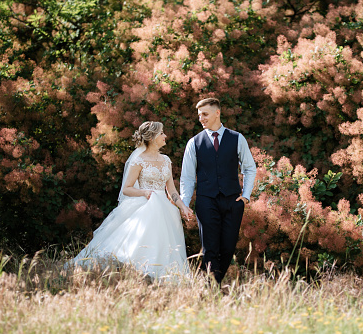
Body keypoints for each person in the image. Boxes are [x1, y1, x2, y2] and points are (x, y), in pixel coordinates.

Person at [67, 121, 193, 281]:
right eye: (162, 133)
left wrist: (182, 207)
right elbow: (127, 188)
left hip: (165, 210)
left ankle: (162, 277)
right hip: (146, 206)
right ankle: (136, 274)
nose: (165, 136)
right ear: (153, 137)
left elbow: (172, 190)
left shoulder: (166, 160)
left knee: (164, 244)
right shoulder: (139, 160)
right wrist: (144, 191)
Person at [180, 98, 256, 286]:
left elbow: (249, 168)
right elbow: (187, 178)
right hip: (206, 201)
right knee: (210, 248)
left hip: (233, 201)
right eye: (199, 115)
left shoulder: (237, 138)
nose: (201, 119)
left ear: (217, 113)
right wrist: (184, 203)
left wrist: (245, 196)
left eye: (204, 114)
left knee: (228, 247)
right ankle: (212, 288)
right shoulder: (194, 143)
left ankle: (213, 284)